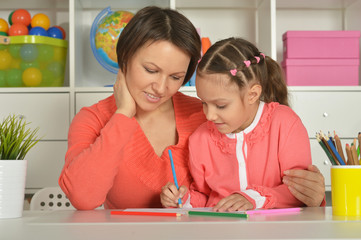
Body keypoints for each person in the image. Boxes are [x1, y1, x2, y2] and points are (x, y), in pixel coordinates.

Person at [59, 6, 325, 210]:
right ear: (124, 58)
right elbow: (83, 198)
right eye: (151, 70)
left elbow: (251, 181)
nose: (161, 88)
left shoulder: (207, 114)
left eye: (176, 77)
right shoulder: (92, 120)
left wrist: (308, 194)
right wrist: (122, 115)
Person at [160, 37, 326, 211]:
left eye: (221, 105)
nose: (209, 115)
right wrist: (182, 199)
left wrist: (255, 199)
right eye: (204, 103)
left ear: (252, 94)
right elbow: (205, 197)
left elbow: (301, 192)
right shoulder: (200, 139)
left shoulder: (285, 124)